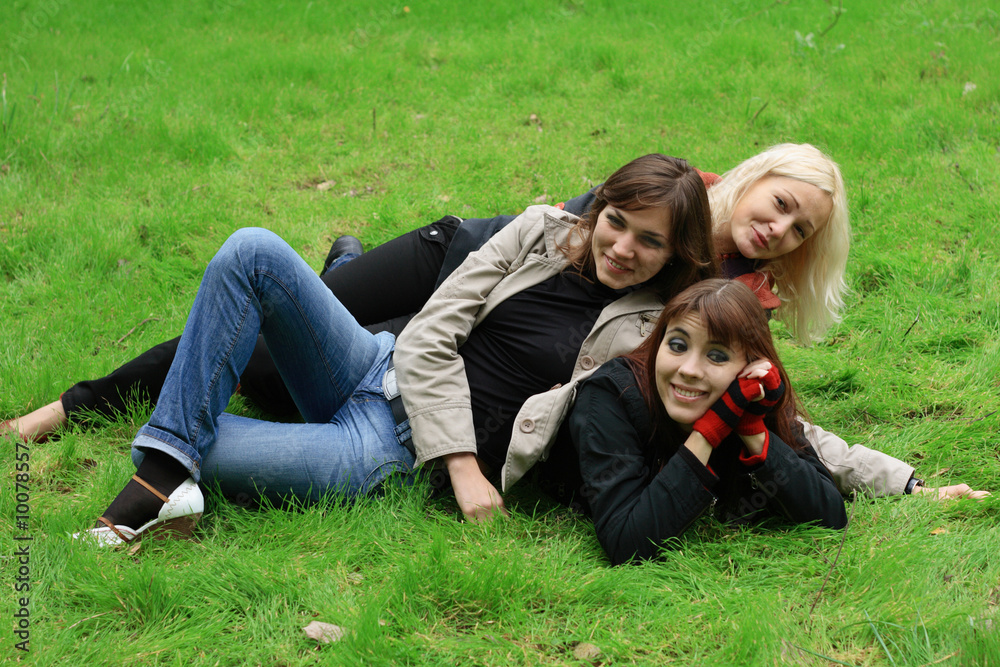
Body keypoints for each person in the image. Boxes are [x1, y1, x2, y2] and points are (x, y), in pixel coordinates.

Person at [5, 144, 984, 500]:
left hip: (425, 391)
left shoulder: (695, 303)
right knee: (255, 333)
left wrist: (897, 480)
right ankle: (69, 409)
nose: (775, 225)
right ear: (752, 175)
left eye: (796, 229)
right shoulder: (652, 200)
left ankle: (177, 451)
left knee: (257, 382)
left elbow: (768, 410)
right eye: (775, 201)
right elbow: (552, 256)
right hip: (454, 266)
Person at [75, 153, 718, 544]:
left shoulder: (662, 329)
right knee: (252, 250)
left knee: (193, 438)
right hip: (374, 362)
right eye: (616, 221)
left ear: (676, 254)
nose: (623, 248)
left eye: (650, 242)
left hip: (389, 450)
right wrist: (466, 468)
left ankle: (167, 468)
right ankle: (162, 480)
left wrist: (792, 449)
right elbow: (435, 327)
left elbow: (747, 396)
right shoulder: (541, 231)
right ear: (599, 207)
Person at [567, 279, 848, 565]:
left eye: (717, 356)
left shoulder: (752, 393)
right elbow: (627, 544)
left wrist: (751, 428)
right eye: (677, 345)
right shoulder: (612, 394)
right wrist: (710, 430)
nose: (688, 369)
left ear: (748, 367)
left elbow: (830, 514)